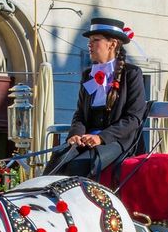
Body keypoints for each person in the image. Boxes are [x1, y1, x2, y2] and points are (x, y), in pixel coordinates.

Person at [46, 17, 146, 178]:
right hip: (87, 138)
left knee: (78, 166)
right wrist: (75, 135)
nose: (89, 44)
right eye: (89, 41)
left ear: (112, 44)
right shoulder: (88, 74)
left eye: (95, 40)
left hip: (117, 140)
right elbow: (80, 114)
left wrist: (101, 137)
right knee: (57, 161)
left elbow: (134, 118)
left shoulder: (132, 73)